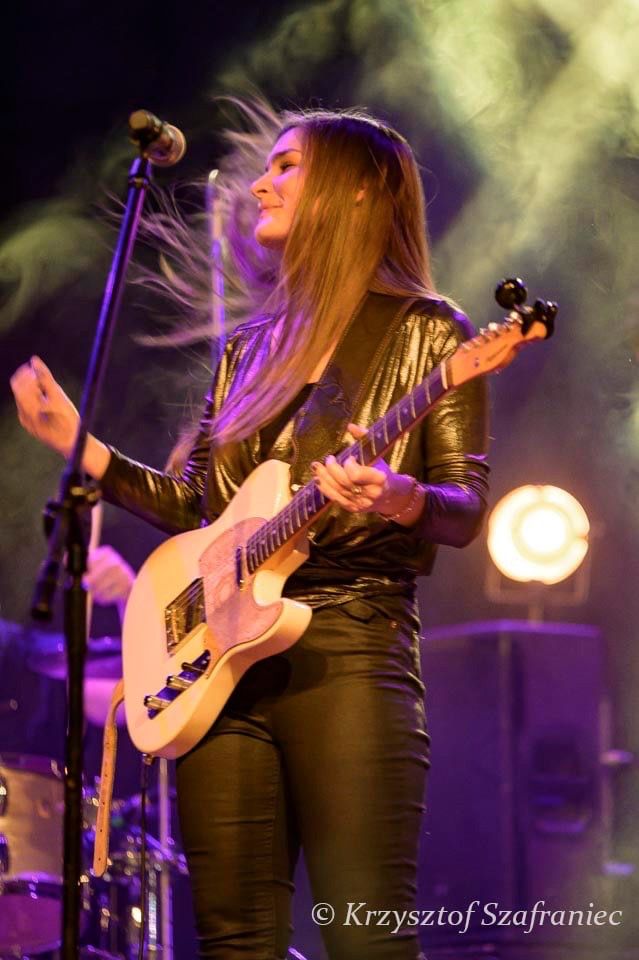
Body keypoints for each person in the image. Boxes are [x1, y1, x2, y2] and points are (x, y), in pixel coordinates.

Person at [11, 106, 489, 960]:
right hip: (220, 664)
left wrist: (398, 497)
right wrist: (81, 446)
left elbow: (463, 504)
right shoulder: (249, 349)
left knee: (366, 937)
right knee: (234, 940)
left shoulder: (429, 330)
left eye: (287, 166)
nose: (261, 184)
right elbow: (203, 511)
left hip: (347, 644)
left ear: (359, 188)